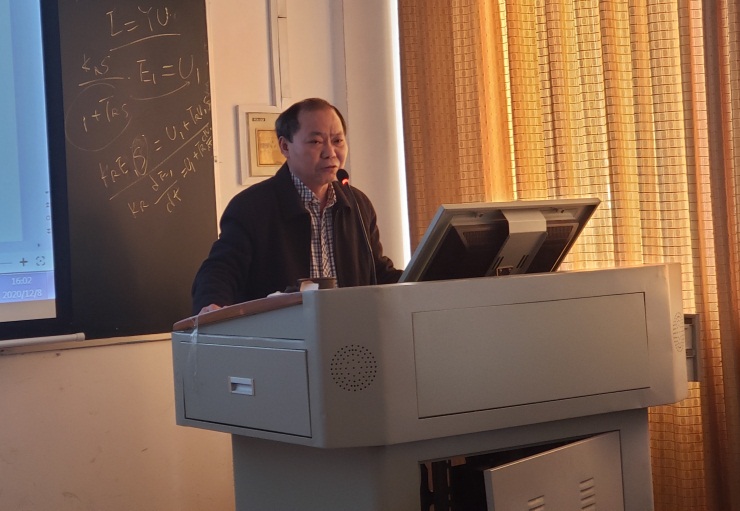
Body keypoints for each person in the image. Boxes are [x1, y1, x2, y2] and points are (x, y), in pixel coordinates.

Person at [191, 98, 402, 314]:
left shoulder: (357, 204)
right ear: (285, 146)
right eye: (316, 142)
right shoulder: (251, 207)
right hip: (283, 331)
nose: (330, 152)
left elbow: (377, 273)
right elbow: (221, 269)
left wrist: (421, 279)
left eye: (338, 140)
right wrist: (213, 303)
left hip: (348, 330)